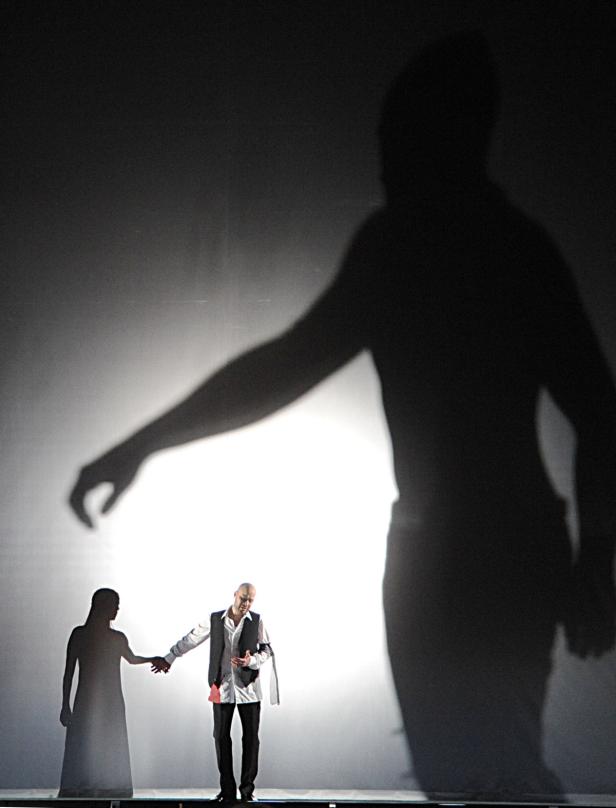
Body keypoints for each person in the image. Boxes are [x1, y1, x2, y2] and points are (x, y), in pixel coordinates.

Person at [68, 32, 616, 799]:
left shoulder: (428, 251)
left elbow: (281, 368)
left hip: (473, 546)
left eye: (396, 143)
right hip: (483, 542)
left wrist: (140, 445)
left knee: (479, 771)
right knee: (479, 770)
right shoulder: (495, 249)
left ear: (446, 137)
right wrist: (594, 555)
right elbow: (599, 408)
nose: (384, 166)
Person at [152, 583, 277, 804]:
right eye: (243, 599)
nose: (246, 604)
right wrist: (169, 658)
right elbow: (191, 639)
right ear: (234, 596)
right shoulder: (215, 620)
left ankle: (247, 791)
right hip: (220, 687)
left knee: (251, 740)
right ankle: (227, 791)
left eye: (250, 600)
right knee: (220, 737)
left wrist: (252, 661)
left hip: (249, 689)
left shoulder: (257, 621)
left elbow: (267, 650)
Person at [59, 588, 166, 797]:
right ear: (102, 607)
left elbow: (132, 658)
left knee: (110, 742)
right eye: (114, 606)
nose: (117, 610)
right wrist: (65, 705)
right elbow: (68, 673)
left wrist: (153, 659)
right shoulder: (81, 635)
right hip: (89, 700)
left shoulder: (112, 637)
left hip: (108, 700)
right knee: (85, 743)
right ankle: (81, 788)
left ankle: (110, 787)